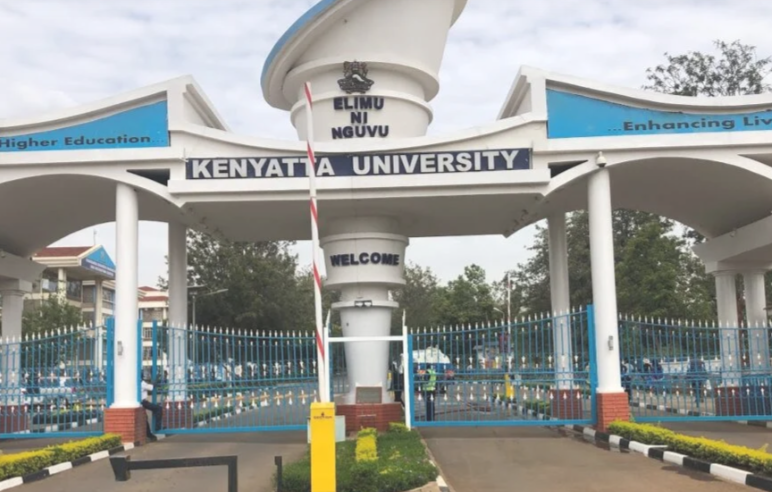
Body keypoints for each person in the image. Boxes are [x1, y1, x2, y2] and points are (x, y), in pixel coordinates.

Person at [141, 375, 163, 441]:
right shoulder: (142, 383)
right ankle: (157, 427)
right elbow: (152, 387)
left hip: (141, 402)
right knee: (158, 409)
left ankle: (149, 434)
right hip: (143, 402)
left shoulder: (136, 383)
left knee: (145, 418)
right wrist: (155, 381)